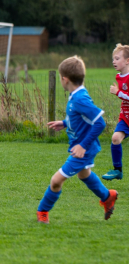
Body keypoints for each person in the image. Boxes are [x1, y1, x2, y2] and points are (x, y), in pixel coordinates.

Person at [37, 56, 118, 224]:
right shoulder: (77, 94)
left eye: (60, 77)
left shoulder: (80, 98)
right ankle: (107, 196)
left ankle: (42, 211)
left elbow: (100, 123)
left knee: (56, 181)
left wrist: (82, 145)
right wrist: (65, 123)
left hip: (83, 150)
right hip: (83, 147)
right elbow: (82, 118)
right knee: (84, 174)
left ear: (65, 80)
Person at [102, 44, 129, 181]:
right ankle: (117, 170)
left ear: (127, 61)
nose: (114, 61)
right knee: (115, 138)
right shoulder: (119, 77)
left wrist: (118, 92)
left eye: (117, 58)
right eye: (113, 59)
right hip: (125, 118)